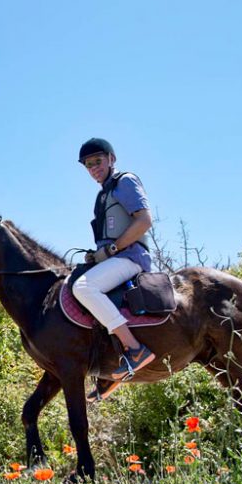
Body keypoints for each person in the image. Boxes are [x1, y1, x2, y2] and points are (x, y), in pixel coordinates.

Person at [71, 138, 156, 399]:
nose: (93, 167)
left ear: (111, 158)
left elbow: (144, 221)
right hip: (113, 258)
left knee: (84, 287)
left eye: (98, 161)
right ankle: (107, 368)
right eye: (88, 164)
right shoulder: (103, 193)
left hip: (131, 257)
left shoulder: (125, 182)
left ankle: (134, 348)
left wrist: (112, 250)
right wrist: (96, 255)